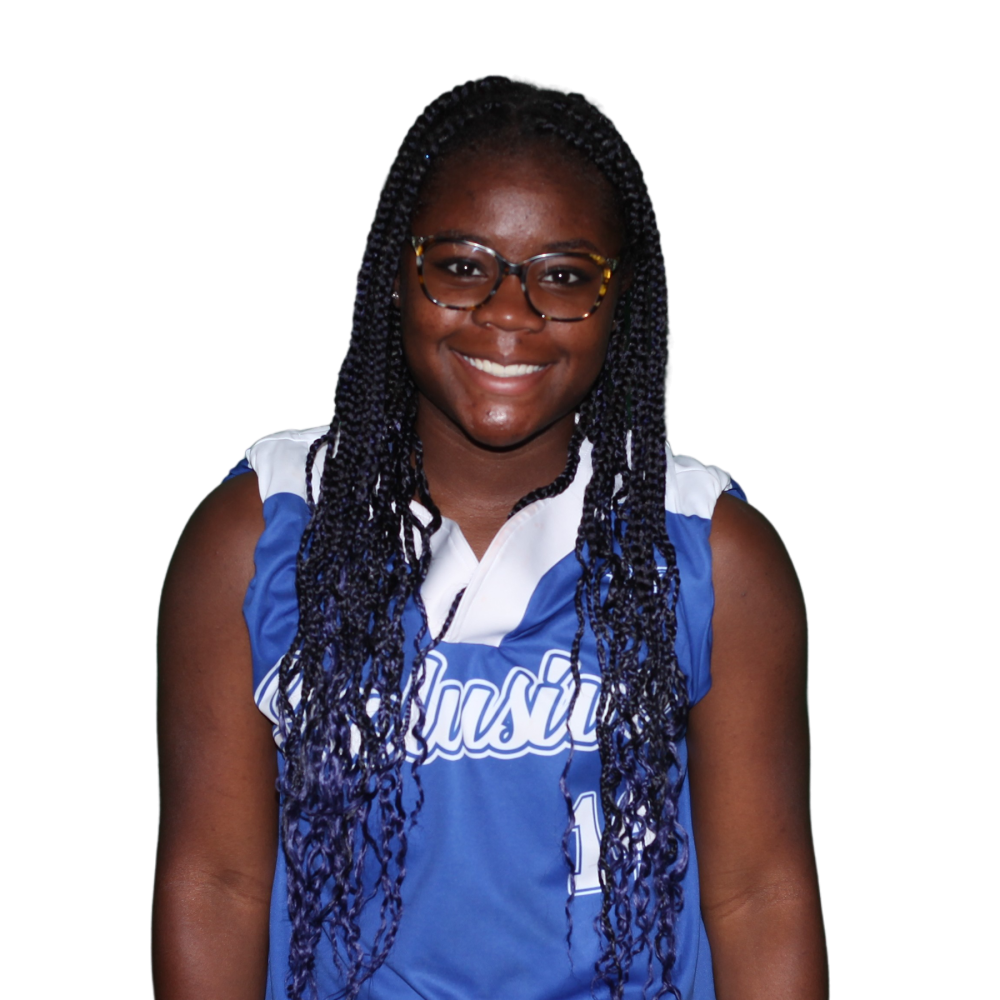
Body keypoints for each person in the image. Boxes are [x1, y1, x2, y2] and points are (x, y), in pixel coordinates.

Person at [153, 75, 828, 1000]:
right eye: (462, 266)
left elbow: (760, 896)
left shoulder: (711, 548)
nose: (509, 315)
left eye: (565, 275)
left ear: (620, 300)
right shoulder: (260, 527)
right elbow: (215, 884)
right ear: (397, 275)